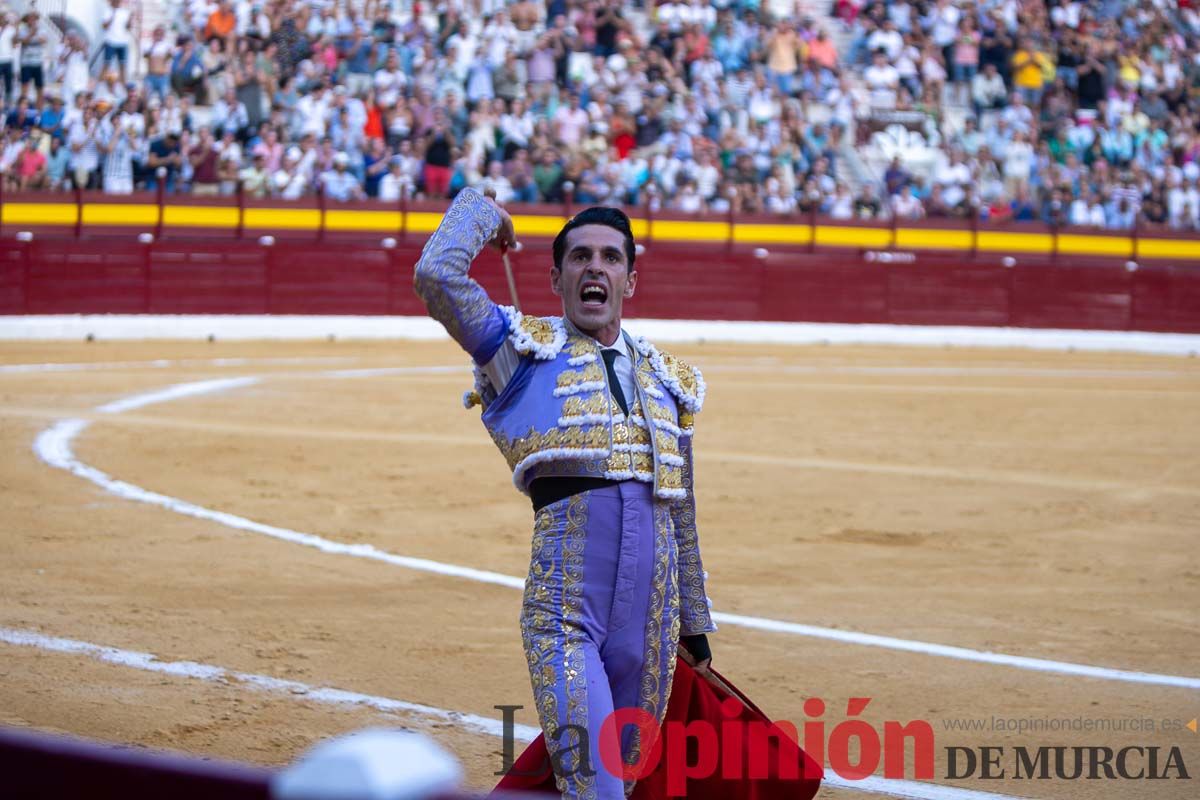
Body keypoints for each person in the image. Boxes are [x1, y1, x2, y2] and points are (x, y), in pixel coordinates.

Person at [414, 188, 718, 797]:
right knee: (595, 786)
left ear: (629, 280)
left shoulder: (668, 380)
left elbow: (679, 507)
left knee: (623, 778)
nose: (595, 268)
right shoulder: (519, 350)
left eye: (610, 258)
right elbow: (436, 273)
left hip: (651, 620)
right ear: (556, 276)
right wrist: (483, 213)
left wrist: (693, 625)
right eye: (580, 257)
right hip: (565, 610)